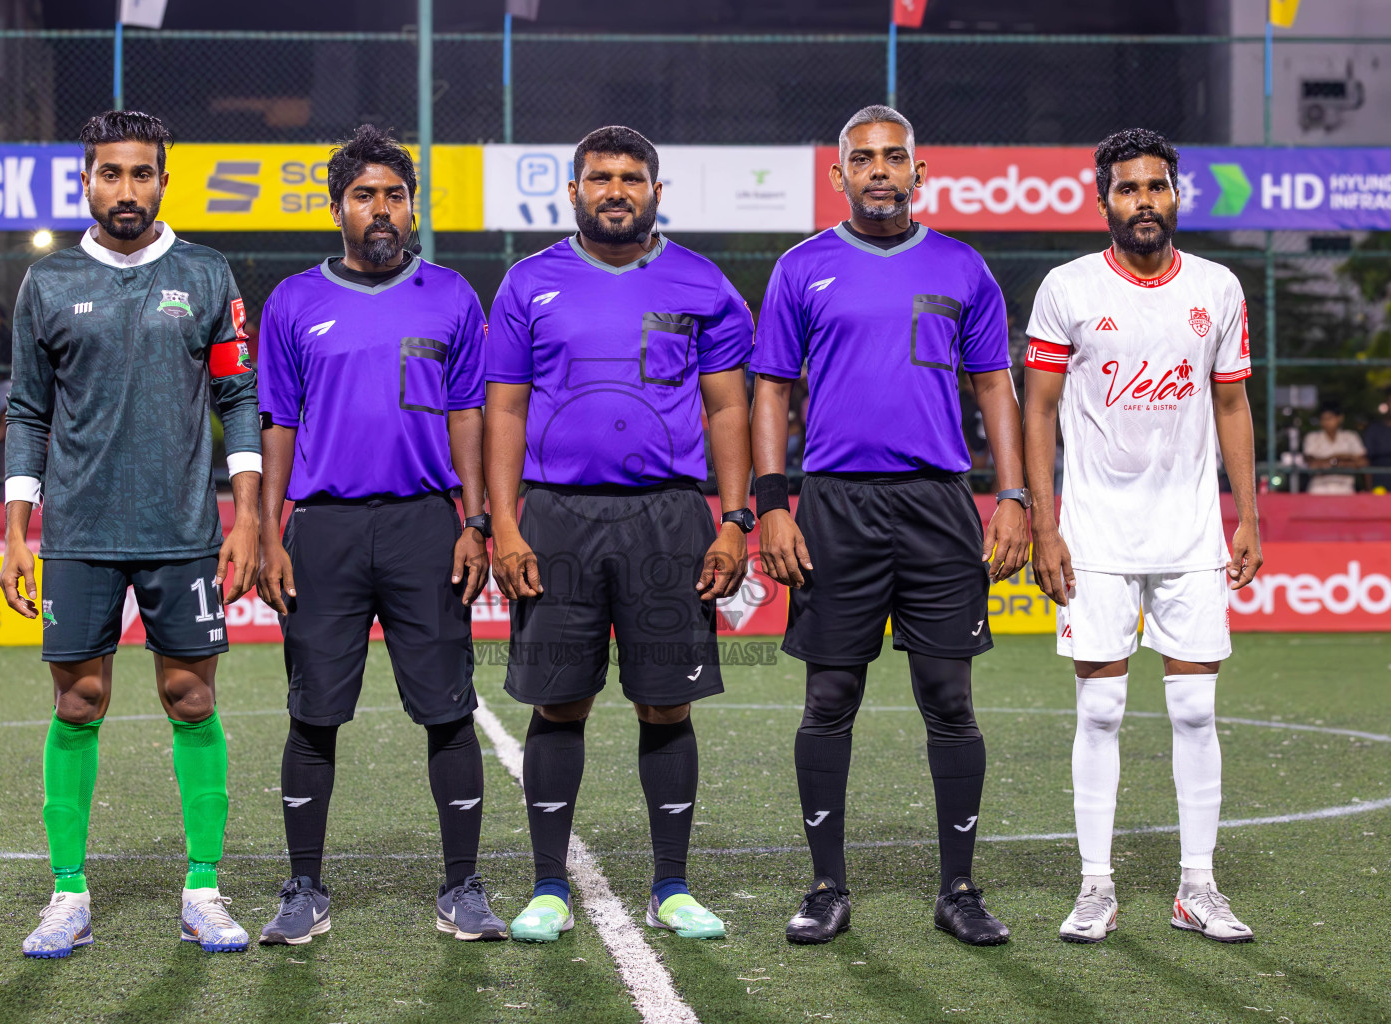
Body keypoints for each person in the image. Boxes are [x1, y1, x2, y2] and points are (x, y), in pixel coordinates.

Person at [751, 104, 1029, 948]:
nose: (879, 170)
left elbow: (994, 389)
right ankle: (827, 886)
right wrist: (770, 502)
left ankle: (959, 889)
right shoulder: (802, 268)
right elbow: (770, 389)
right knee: (830, 696)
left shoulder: (963, 266)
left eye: (894, 158)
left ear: (919, 173)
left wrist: (1013, 496)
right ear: (838, 176)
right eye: (863, 159)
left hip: (938, 504)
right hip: (834, 503)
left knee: (949, 697)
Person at [0, 109, 261, 959]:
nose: (126, 189)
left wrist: (248, 514)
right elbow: (28, 411)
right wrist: (17, 533)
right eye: (109, 173)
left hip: (182, 530)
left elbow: (238, 399)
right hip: (77, 533)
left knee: (193, 699)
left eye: (141, 172)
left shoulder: (208, 275)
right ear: (86, 180)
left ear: (163, 178)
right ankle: (68, 893)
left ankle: (204, 889)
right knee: (79, 702)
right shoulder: (46, 284)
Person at [485, 125, 755, 943]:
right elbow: (502, 407)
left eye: (631, 178)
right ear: (572, 192)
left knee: (664, 703)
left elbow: (727, 407)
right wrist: (503, 522)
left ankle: (671, 886)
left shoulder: (704, 284)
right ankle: (547, 887)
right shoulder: (527, 284)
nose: (615, 190)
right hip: (555, 513)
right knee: (559, 702)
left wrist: (735, 517)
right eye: (599, 177)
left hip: (668, 516)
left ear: (655, 192)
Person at [253, 124, 505, 945]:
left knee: (448, 711)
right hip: (321, 529)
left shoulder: (453, 296)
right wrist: (267, 530)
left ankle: (463, 886)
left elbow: (471, 415)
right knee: (313, 714)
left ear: (411, 205)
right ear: (337, 210)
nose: (383, 208)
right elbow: (278, 424)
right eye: (365, 195)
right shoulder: (293, 301)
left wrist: (478, 521)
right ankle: (303, 888)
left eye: (395, 194)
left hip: (426, 525)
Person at [1022, 127, 1262, 945]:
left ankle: (1198, 886)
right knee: (1102, 709)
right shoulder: (1067, 287)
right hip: (1094, 534)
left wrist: (1248, 516)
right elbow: (1040, 410)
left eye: (1156, 187)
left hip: (1191, 532)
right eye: (1128, 189)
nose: (1144, 201)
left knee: (1195, 709)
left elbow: (1232, 405)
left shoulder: (1219, 288)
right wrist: (1045, 526)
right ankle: (1096, 887)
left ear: (1176, 195)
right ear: (1104, 201)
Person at [1302, 400, 1367, 495]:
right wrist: (1343, 460)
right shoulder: (1312, 437)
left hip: (1345, 490)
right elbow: (1311, 461)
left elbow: (1362, 461)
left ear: (1340, 418)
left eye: (1329, 418)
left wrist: (1328, 462)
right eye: (1323, 419)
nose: (1326, 422)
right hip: (1318, 490)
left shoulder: (1351, 437)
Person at [1361, 387, 1391, 491]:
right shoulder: (1374, 430)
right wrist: (1369, 489)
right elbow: (1366, 461)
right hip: (1380, 484)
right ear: (1387, 404)